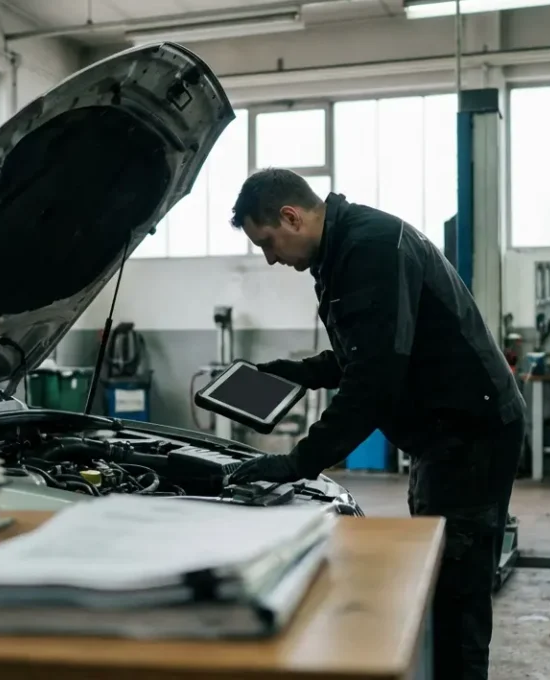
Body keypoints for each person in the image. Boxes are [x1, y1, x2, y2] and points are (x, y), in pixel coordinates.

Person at [225, 168, 524, 680]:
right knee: (440, 576)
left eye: (267, 243)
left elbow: (374, 382)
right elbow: (367, 350)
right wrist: (299, 373)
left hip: (470, 436)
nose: (271, 258)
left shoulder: (371, 248)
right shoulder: (342, 250)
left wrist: (297, 462)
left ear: (290, 216)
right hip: (442, 435)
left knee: (457, 597)